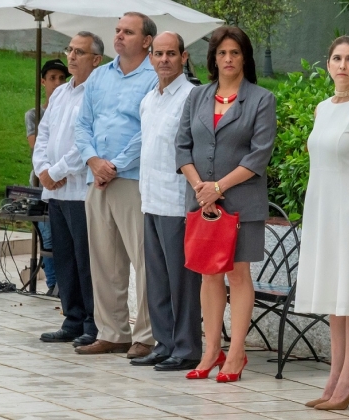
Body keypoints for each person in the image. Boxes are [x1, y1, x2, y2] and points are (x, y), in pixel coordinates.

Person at [176, 26, 276, 383]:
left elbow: (259, 155)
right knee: (209, 273)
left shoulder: (261, 99)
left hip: (243, 203)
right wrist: (200, 187)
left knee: (238, 273)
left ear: (245, 58)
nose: (228, 59)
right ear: (213, 58)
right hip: (203, 202)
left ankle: (236, 353)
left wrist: (218, 186)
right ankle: (210, 349)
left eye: (235, 53)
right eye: (222, 53)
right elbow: (182, 146)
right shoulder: (197, 97)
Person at [294, 35, 349, 411]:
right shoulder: (321, 107)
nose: (343, 65)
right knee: (335, 298)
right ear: (328, 64)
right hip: (322, 209)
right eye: (337, 58)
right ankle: (335, 375)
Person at [73, 11, 158, 359]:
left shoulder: (155, 77)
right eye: (118, 30)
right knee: (104, 260)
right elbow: (82, 125)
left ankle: (147, 336)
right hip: (98, 179)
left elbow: (147, 130)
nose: (119, 36)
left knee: (143, 259)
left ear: (147, 40)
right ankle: (112, 332)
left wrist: (115, 166)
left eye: (128, 31)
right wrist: (94, 161)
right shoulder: (99, 77)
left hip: (132, 179)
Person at [130, 32, 202, 371]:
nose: (164, 60)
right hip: (150, 200)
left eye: (171, 54)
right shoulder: (149, 99)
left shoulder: (192, 97)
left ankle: (187, 347)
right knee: (156, 278)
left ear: (184, 57)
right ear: (150, 58)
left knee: (182, 281)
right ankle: (163, 343)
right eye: (158, 54)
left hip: (177, 202)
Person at [33, 33, 103, 346]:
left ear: (96, 59)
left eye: (80, 52)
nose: (71, 56)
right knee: (64, 259)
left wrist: (58, 170)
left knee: (85, 260)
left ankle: (93, 323)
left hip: (79, 190)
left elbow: (89, 140)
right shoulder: (60, 93)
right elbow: (43, 133)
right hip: (55, 192)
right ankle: (72, 319)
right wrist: (43, 171)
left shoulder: (98, 93)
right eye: (70, 50)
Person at [26, 58, 69, 295]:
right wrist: (49, 172)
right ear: (43, 81)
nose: (57, 82)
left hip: (64, 177)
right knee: (49, 236)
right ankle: (53, 282)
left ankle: (61, 284)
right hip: (42, 179)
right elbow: (36, 146)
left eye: (61, 78)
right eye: (52, 78)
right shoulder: (35, 114)